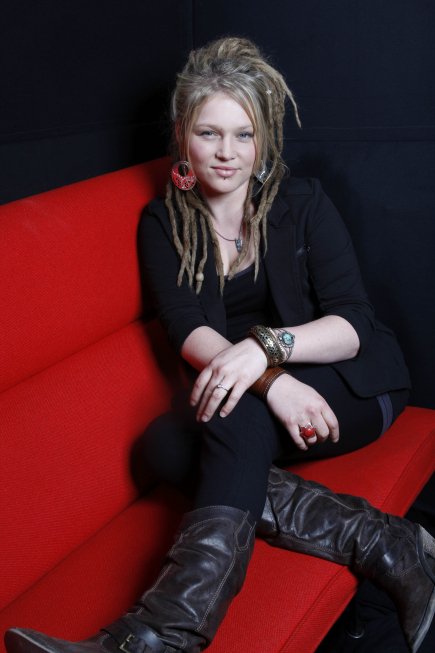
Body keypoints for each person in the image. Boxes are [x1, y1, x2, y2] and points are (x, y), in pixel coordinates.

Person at [5, 36, 434, 653]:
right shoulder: (165, 222)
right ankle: (385, 542)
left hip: (356, 383)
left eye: (243, 134)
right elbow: (186, 327)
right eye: (209, 133)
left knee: (227, 418)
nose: (226, 153)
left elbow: (354, 326)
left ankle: (161, 636)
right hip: (264, 396)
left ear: (263, 139)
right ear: (183, 136)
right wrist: (272, 383)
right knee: (162, 444)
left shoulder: (304, 203)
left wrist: (265, 353)